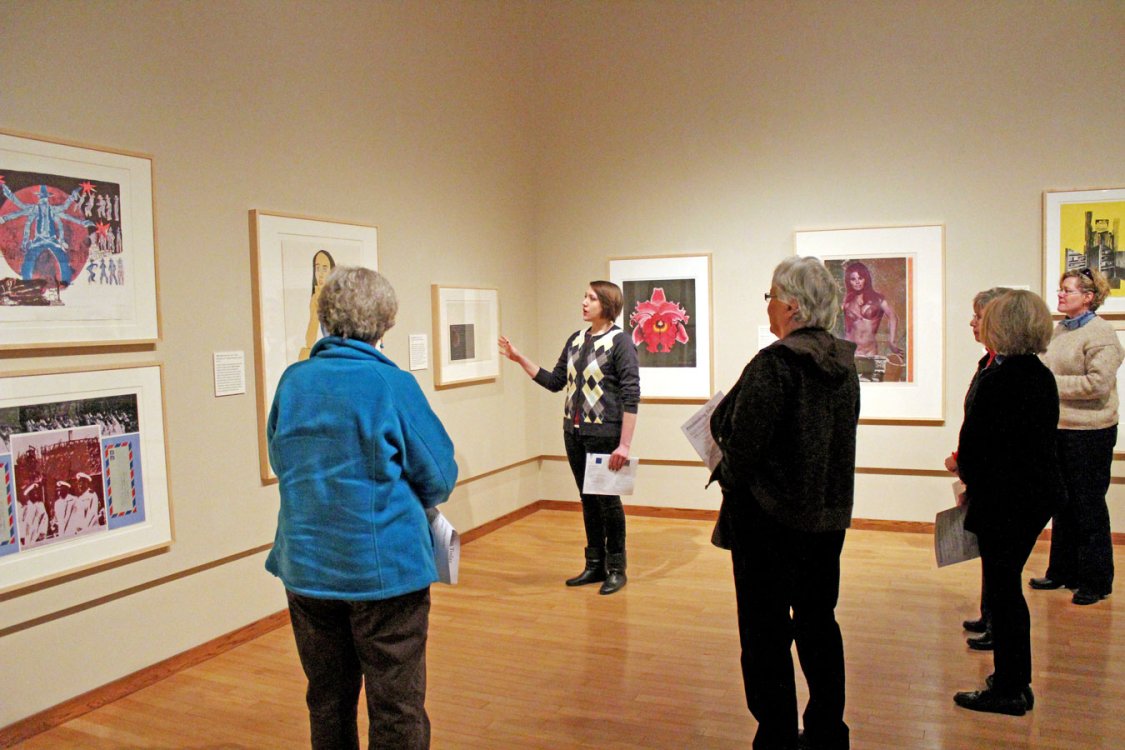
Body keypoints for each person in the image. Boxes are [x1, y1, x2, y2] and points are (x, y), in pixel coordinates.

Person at [266, 266, 458, 750]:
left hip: (307, 569)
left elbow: (279, 455)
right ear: (385, 322)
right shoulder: (391, 385)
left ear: (328, 317)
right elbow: (439, 476)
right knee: (396, 707)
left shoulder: (294, 382)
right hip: (384, 574)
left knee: (327, 701)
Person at [709, 256, 859, 750]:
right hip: (824, 518)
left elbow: (743, 453)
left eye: (770, 296)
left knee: (765, 633)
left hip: (768, 524)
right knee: (819, 623)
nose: (768, 305)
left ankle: (776, 734)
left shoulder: (773, 366)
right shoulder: (843, 364)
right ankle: (827, 731)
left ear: (791, 306)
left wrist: (723, 467)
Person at [953, 290, 1061, 716]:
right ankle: (1013, 681)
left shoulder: (1003, 379)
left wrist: (968, 477)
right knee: (1005, 589)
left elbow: (980, 446)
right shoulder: (1037, 373)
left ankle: (1011, 688)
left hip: (1009, 499)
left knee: (1004, 591)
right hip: (1029, 496)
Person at [498, 281, 639, 595]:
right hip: (574, 434)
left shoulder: (621, 342)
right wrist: (519, 358)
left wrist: (625, 444)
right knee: (588, 499)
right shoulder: (576, 340)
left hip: (605, 434)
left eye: (591, 298)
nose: (584, 302)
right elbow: (555, 381)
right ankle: (594, 564)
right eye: (584, 297)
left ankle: (616, 567)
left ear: (607, 303)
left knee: (608, 501)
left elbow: (632, 396)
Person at [1030, 267, 1124, 606]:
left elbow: (1096, 385)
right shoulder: (1059, 331)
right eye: (1061, 289)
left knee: (1088, 506)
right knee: (1062, 504)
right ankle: (1062, 571)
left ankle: (1096, 580)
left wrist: (1048, 385)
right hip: (1060, 429)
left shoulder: (1101, 334)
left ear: (1088, 297)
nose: (1060, 294)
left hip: (1090, 432)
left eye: (1068, 290)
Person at [944, 286, 1010, 651]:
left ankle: (998, 629)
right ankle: (990, 617)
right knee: (993, 558)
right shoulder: (989, 362)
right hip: (985, 476)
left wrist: (965, 460)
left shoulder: (1006, 369)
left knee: (1002, 566)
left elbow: (993, 431)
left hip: (998, 483)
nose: (972, 322)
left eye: (979, 316)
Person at [841, 261, 899, 358]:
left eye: (860, 278)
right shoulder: (847, 301)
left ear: (866, 279)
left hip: (869, 352)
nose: (857, 282)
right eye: (853, 279)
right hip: (849, 352)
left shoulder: (878, 299)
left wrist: (892, 341)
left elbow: (893, 317)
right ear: (849, 281)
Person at [299, 249, 336, 361]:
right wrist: (315, 307)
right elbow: (310, 340)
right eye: (317, 268)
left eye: (325, 269)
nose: (320, 274)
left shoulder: (339, 299)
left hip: (342, 353)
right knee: (304, 355)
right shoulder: (316, 298)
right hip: (331, 351)